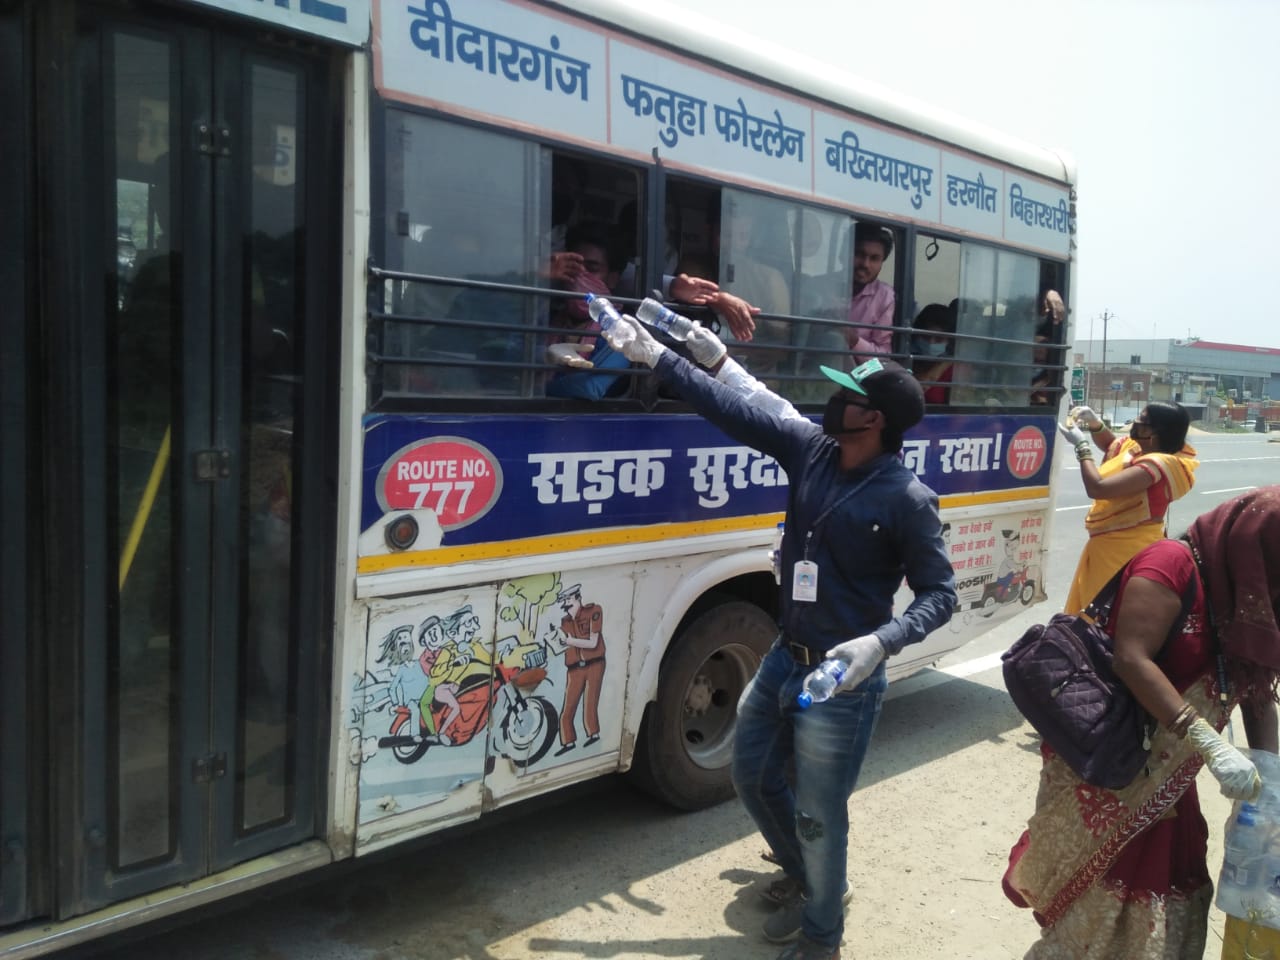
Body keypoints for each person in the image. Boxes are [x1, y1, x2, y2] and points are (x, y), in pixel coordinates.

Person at [598, 312, 956, 960]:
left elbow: (941, 594)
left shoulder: (907, 499)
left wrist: (882, 641)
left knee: (820, 812)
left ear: (874, 420)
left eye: (847, 395)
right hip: (784, 656)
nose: (833, 400)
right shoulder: (812, 449)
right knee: (751, 773)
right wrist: (666, 358)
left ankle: (822, 937)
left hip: (842, 681)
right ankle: (810, 877)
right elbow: (737, 409)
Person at [1004, 485, 1280, 959]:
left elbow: (1255, 692)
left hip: (1169, 779)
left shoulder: (1252, 594)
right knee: (1099, 907)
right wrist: (1208, 742)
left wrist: (1270, 777)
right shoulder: (1171, 565)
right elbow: (1131, 658)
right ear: (1253, 547)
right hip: (1113, 766)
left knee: (1175, 895)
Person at [1058, 401, 1199, 615]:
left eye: (1142, 421)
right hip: (1107, 544)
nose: (1135, 423)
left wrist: (1081, 446)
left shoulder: (1159, 464)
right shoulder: (1139, 449)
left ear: (1155, 433)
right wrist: (1095, 424)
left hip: (1127, 549)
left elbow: (1098, 488)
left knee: (1106, 613)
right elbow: (1112, 446)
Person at [844, 222, 895, 360]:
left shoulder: (885, 297)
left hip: (858, 373)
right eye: (859, 254)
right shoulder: (821, 285)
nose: (865, 264)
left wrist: (854, 341)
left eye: (874, 259)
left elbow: (884, 358)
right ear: (844, 253)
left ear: (881, 263)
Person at [909, 302, 955, 405]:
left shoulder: (954, 370)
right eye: (925, 336)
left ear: (949, 341)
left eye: (939, 339)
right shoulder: (903, 358)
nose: (931, 343)